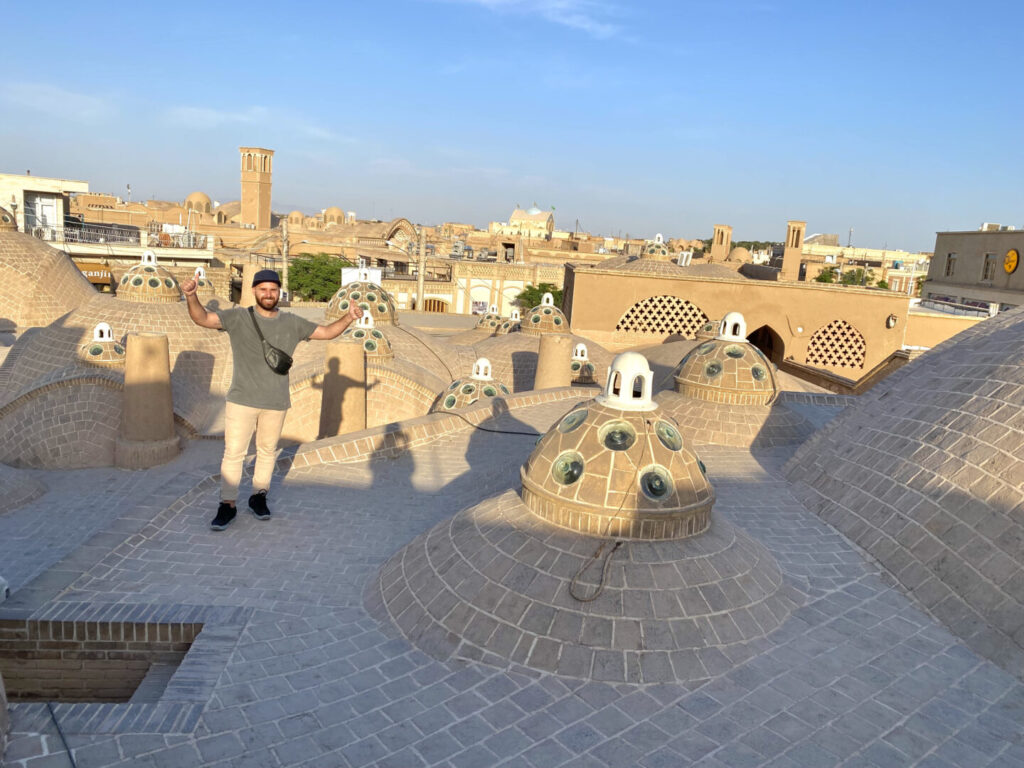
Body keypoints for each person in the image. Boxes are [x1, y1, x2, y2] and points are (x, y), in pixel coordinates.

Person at [182, 268, 362, 530]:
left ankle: (258, 497)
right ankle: (227, 504)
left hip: (275, 401)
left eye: (273, 290)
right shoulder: (238, 317)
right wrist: (191, 296)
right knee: (234, 453)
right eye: (263, 289)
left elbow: (326, 332)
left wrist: (349, 317)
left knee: (267, 452)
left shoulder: (291, 322)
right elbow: (203, 318)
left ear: (279, 292)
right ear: (254, 291)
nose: (268, 294)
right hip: (242, 399)